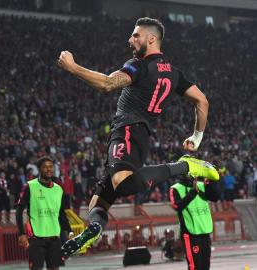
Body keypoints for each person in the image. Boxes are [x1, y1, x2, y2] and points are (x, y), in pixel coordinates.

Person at [57, 17, 220, 257]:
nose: (130, 39)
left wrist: (73, 68)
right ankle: (93, 230)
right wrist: (197, 136)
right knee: (98, 202)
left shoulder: (139, 66)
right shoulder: (174, 73)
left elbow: (108, 84)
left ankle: (185, 166)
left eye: (136, 35)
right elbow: (202, 101)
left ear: (151, 38)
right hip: (138, 136)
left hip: (127, 130)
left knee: (123, 183)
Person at [16, 156, 73, 270]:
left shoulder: (58, 189)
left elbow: (61, 213)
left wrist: (69, 231)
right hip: (36, 238)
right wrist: (21, 233)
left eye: (51, 167)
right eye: (45, 167)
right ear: (39, 169)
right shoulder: (30, 186)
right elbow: (19, 210)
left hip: (54, 239)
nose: (48, 169)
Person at [169, 178, 219, 269]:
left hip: (204, 230)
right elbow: (176, 206)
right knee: (194, 266)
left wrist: (210, 183)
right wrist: (193, 192)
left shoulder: (201, 185)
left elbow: (215, 197)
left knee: (205, 266)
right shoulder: (176, 188)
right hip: (190, 232)